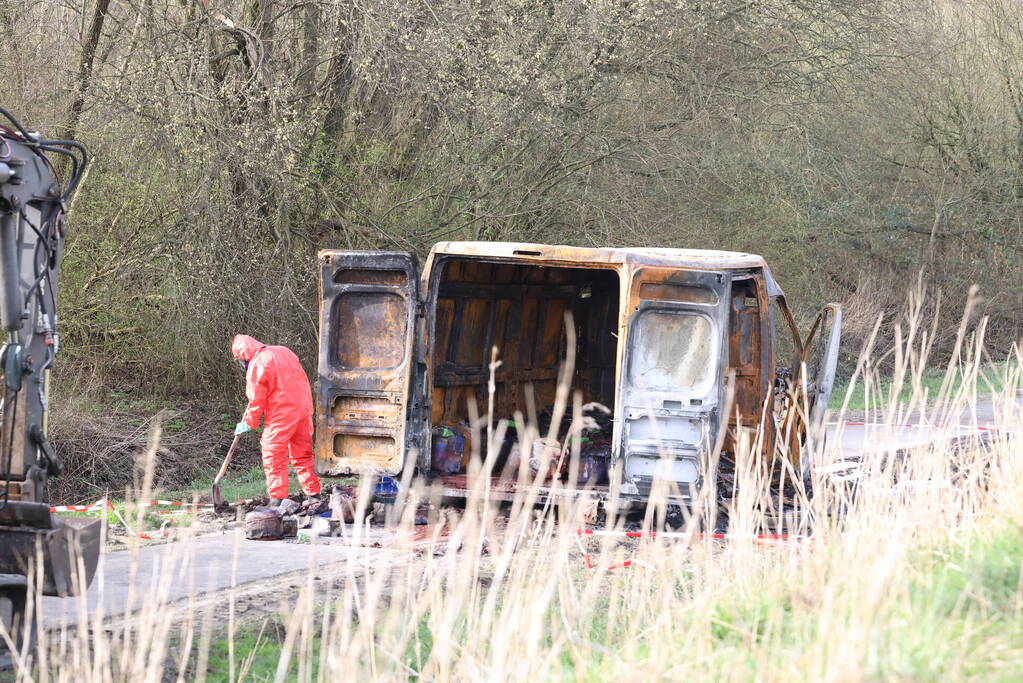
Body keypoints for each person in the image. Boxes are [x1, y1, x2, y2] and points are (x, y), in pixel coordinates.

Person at [231, 334, 321, 506]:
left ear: (243, 356)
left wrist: (249, 423)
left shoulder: (257, 363)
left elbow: (256, 400)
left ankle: (277, 501)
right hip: (303, 411)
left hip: (282, 415)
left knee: (273, 456)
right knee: (303, 456)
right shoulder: (285, 351)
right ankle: (314, 496)